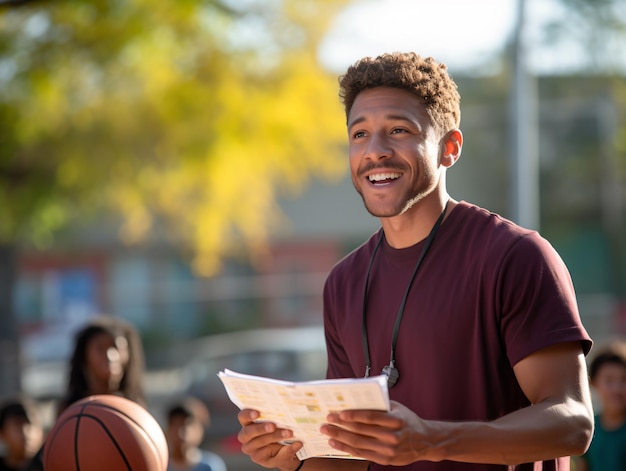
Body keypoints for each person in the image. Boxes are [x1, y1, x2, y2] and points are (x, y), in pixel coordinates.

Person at [236, 52, 595, 471]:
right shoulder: (343, 282)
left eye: (398, 130)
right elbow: (347, 457)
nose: (375, 151)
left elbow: (572, 423)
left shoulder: (515, 256)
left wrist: (432, 440)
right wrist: (291, 457)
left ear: (449, 148)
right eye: (360, 134)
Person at [26, 314, 147, 470]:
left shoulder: (135, 410)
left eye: (116, 347)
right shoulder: (70, 410)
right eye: (100, 348)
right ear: (84, 357)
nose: (111, 356)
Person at [576, 341, 626, 470]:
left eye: (624, 380)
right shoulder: (588, 428)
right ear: (594, 383)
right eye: (609, 380)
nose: (617, 389)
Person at [165, 396, 227, 471]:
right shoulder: (160, 465)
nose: (180, 432)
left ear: (201, 430)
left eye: (186, 425)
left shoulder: (211, 465)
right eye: (175, 425)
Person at [0, 396, 43, 471]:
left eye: (29, 424)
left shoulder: (52, 464)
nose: (25, 432)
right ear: (2, 433)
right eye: (17, 425)